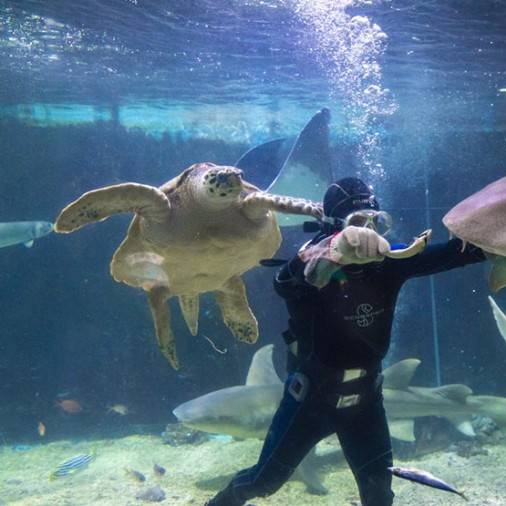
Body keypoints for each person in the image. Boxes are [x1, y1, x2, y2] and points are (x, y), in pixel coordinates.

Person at [206, 177, 485, 506]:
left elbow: (461, 253)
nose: (368, 232)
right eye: (357, 223)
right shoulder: (311, 265)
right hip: (311, 401)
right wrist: (324, 255)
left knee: (379, 492)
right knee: (263, 480)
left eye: (375, 222)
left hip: (365, 401)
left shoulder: (390, 263)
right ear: (333, 226)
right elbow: (285, 283)